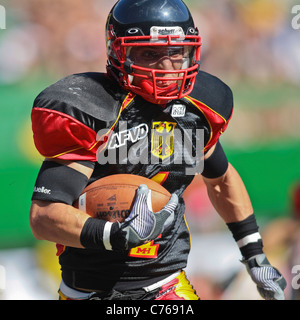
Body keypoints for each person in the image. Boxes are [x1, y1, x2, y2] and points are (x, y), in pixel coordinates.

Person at [29, 0, 286, 300]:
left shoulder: (198, 107)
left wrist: (254, 256)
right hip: (89, 292)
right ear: (118, 52)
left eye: (175, 52)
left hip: (166, 286)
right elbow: (44, 216)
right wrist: (116, 234)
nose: (166, 66)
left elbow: (222, 180)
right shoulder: (89, 108)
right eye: (150, 53)